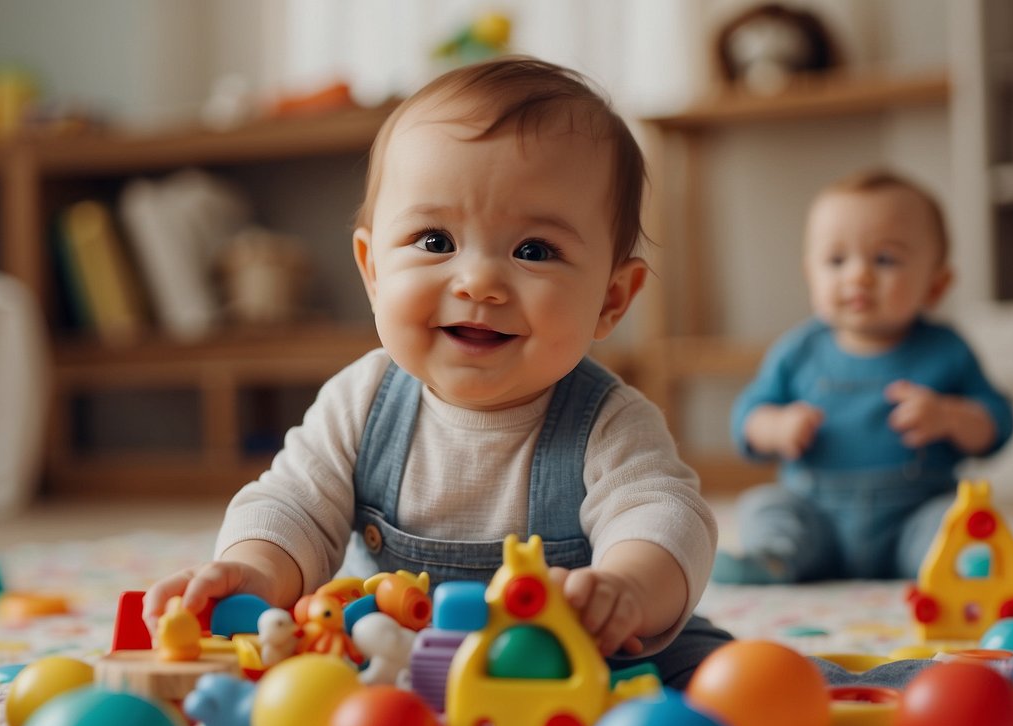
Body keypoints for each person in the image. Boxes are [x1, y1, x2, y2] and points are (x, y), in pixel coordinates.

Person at [144, 56, 729, 687]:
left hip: (574, 660)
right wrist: (255, 569)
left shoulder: (609, 422)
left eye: (534, 251)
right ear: (372, 270)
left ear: (611, 299)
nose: (477, 281)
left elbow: (664, 517)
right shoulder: (361, 401)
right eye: (434, 241)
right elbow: (293, 505)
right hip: (393, 649)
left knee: (724, 680)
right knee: (295, 663)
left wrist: (624, 588)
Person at [715, 170, 1013, 584]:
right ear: (810, 275)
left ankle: (955, 569)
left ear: (937, 283)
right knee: (764, 506)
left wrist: (949, 416)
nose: (858, 276)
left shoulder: (947, 349)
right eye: (836, 261)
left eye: (885, 259)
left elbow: (998, 422)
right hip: (815, 513)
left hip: (913, 514)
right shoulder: (798, 350)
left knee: (951, 522)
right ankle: (774, 559)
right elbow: (745, 419)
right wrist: (775, 426)